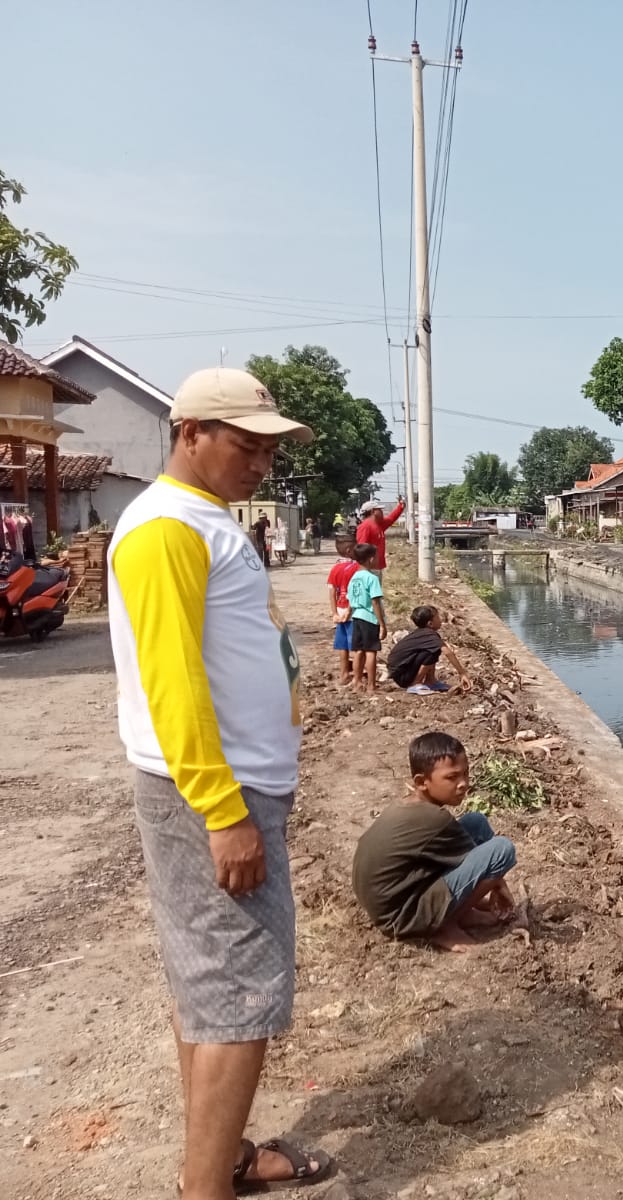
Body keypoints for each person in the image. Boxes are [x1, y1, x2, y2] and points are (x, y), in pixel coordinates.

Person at [106, 365, 331, 1198]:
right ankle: (207, 1188)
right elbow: (173, 684)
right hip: (212, 791)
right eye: (247, 445)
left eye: (270, 452)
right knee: (240, 991)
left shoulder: (198, 521)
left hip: (230, 786)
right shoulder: (167, 527)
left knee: (209, 984)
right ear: (190, 430)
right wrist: (222, 810)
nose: (261, 465)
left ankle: (225, 1156)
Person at [352, 731, 518, 952]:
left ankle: (461, 911)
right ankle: (446, 925)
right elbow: (486, 863)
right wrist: (499, 885)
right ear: (422, 782)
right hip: (402, 916)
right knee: (502, 851)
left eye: (466, 774)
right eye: (452, 777)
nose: (463, 784)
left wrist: (497, 885)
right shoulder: (435, 819)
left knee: (475, 822)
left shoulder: (408, 806)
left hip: (393, 901)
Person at [389, 604, 473, 695]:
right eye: (437, 617)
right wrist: (462, 673)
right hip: (402, 675)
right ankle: (415, 684)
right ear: (430, 624)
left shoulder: (423, 634)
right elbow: (448, 652)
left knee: (433, 650)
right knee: (431, 652)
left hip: (400, 673)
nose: (440, 620)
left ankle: (430, 681)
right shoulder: (429, 635)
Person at [346, 542, 387, 692]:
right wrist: (382, 624)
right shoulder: (372, 578)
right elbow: (375, 602)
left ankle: (357, 681)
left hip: (356, 617)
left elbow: (350, 599)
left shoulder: (354, 577)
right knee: (371, 652)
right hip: (369, 618)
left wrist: (348, 614)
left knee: (358, 651)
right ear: (370, 559)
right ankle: (371, 684)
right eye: (375, 557)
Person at [326, 535, 360, 687]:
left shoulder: (335, 569)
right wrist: (349, 610)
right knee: (357, 647)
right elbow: (356, 592)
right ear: (349, 550)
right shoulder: (356, 568)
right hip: (354, 611)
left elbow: (332, 592)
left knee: (342, 645)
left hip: (339, 611)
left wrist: (334, 613)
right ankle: (357, 678)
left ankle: (344, 673)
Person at [355, 497, 406, 577]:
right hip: (369, 569)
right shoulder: (365, 526)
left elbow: (391, 518)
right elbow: (361, 548)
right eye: (379, 510)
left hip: (376, 567)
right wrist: (364, 569)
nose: (382, 512)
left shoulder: (379, 525)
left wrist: (400, 507)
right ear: (372, 511)